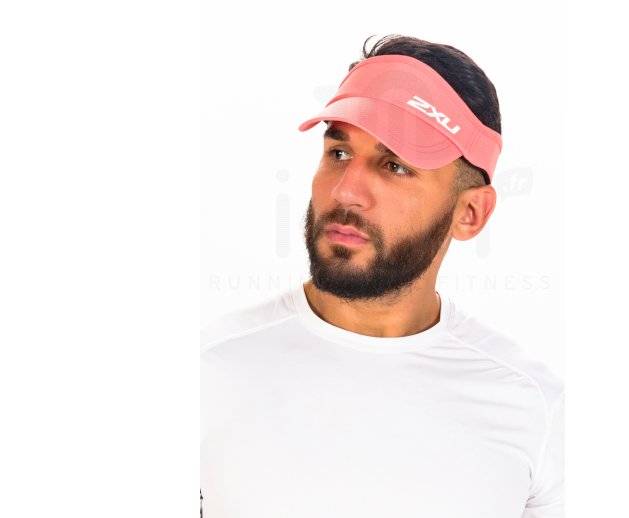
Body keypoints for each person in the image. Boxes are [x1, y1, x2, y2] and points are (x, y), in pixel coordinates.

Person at [201, 34, 564, 518]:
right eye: (339, 153)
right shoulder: (205, 373)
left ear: (470, 213)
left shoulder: (535, 409)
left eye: (394, 165)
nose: (346, 191)